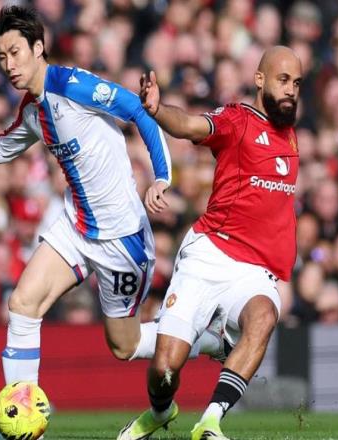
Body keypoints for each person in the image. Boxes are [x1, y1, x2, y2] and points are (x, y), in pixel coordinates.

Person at [0, 6, 222, 438]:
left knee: (124, 346)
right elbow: (2, 146)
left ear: (39, 47)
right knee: (23, 304)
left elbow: (138, 110)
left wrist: (163, 176)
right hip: (76, 227)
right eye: (2, 56)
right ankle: (22, 424)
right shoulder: (33, 109)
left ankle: (208, 340)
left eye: (16, 52)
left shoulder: (73, 86)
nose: (8, 64)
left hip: (122, 240)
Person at [118, 45, 302, 440]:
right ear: (260, 80)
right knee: (165, 369)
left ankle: (210, 421)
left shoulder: (289, 135)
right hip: (210, 254)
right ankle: (161, 411)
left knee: (264, 317)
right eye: (284, 80)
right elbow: (189, 125)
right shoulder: (238, 120)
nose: (291, 90)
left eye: (297, 83)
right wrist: (157, 110)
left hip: (254, 272)